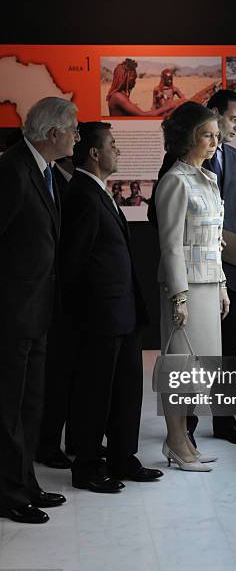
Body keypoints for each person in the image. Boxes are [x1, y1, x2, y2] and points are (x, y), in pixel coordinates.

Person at [152, 89, 236, 447]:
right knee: (187, 352)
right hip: (192, 273)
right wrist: (203, 240)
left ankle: (226, 422)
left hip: (227, 271)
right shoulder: (179, 163)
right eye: (233, 118)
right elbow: (162, 218)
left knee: (227, 351)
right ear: (214, 115)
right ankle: (184, 430)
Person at [60, 122, 163, 493]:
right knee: (94, 394)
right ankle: (87, 467)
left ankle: (123, 458)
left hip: (123, 312)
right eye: (113, 144)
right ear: (94, 153)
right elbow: (71, 264)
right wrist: (82, 316)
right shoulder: (82, 195)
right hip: (99, 317)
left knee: (125, 391)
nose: (118, 150)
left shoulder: (98, 192)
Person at [0, 96, 78, 523]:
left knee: (31, 404)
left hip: (37, 312)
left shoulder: (45, 170)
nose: (77, 136)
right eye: (74, 129)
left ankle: (25, 483)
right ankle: (9, 493)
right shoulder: (11, 170)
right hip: (12, 315)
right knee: (9, 407)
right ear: (53, 134)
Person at [155, 101, 228, 471]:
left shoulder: (208, 179)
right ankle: (177, 442)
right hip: (184, 290)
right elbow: (169, 244)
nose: (214, 142)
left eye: (216, 135)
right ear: (188, 138)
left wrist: (222, 285)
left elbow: (214, 240)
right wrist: (179, 295)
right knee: (179, 368)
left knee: (201, 371)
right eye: (207, 135)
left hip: (208, 284)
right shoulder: (174, 180)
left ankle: (183, 441)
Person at [107, 58, 182, 117]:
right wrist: (169, 106)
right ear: (124, 79)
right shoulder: (118, 97)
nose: (134, 82)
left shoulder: (119, 95)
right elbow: (143, 115)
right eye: (133, 79)